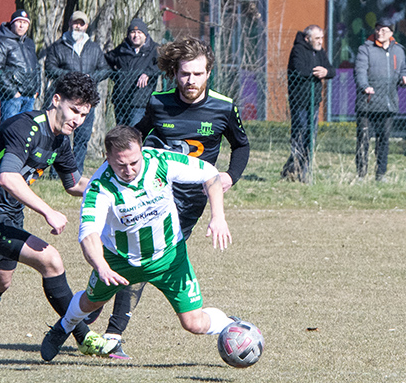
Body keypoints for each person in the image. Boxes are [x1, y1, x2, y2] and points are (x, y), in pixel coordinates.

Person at [87, 36, 250, 359]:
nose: (191, 81)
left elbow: (241, 146)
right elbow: (132, 139)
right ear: (175, 73)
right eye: (185, 74)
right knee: (134, 260)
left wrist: (230, 175)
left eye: (198, 74)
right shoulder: (158, 103)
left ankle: (104, 330)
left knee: (143, 264)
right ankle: (96, 328)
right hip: (149, 195)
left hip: (189, 206)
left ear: (208, 73)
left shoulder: (223, 106)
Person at [0, 72, 110, 359]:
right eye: (74, 110)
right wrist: (48, 211)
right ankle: (84, 337)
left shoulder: (60, 140)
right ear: (56, 100)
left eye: (84, 114)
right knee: (50, 259)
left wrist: (113, 190)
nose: (78, 119)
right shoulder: (26, 128)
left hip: (9, 215)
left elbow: (74, 184)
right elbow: (8, 178)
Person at [40, 125, 237, 362]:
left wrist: (218, 216)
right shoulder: (99, 186)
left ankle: (234, 327)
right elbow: (88, 234)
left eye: (134, 162)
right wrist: (102, 266)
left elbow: (210, 175)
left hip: (169, 258)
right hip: (119, 262)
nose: (129, 170)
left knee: (193, 323)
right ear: (108, 158)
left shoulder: (161, 161)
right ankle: (63, 327)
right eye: (120, 164)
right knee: (90, 303)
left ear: (142, 151)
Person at [45, 11, 109, 174]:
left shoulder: (94, 48)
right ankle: (55, 173)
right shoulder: (58, 46)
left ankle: (76, 172)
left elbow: (105, 69)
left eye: (82, 23)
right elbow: (50, 68)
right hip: (66, 101)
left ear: (86, 26)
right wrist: (72, 78)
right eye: (75, 23)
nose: (78, 26)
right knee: (59, 135)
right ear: (69, 24)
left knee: (82, 138)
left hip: (87, 101)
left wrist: (90, 78)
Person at [354, 18, 406, 181]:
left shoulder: (399, 50)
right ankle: (361, 174)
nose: (379, 33)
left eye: (384, 30)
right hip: (367, 103)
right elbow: (360, 72)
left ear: (392, 32)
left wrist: (405, 79)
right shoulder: (365, 49)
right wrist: (365, 86)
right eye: (377, 29)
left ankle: (381, 174)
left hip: (388, 104)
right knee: (363, 140)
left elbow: (403, 71)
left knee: (384, 141)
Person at [282, 24, 335, 182]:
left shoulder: (320, 51)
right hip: (299, 101)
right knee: (300, 133)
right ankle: (294, 168)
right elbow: (299, 69)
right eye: (317, 38)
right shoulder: (298, 50)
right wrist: (316, 72)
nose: (320, 41)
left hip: (314, 101)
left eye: (322, 38)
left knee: (311, 136)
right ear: (307, 38)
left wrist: (325, 72)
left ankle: (302, 170)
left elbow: (331, 70)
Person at [104, 18, 160, 127]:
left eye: (139, 32)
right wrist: (116, 75)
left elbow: (163, 65)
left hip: (140, 103)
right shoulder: (121, 49)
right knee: (120, 136)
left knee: (134, 134)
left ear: (145, 35)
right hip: (120, 101)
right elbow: (105, 61)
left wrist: (148, 73)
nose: (136, 35)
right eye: (132, 32)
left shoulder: (155, 50)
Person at [0, 9, 41, 122]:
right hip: (12, 97)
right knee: (9, 128)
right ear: (12, 24)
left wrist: (36, 90)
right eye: (19, 22)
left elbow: (37, 67)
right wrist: (13, 92)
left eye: (25, 22)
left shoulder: (29, 43)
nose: (22, 25)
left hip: (30, 96)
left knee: (25, 131)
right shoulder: (1, 42)